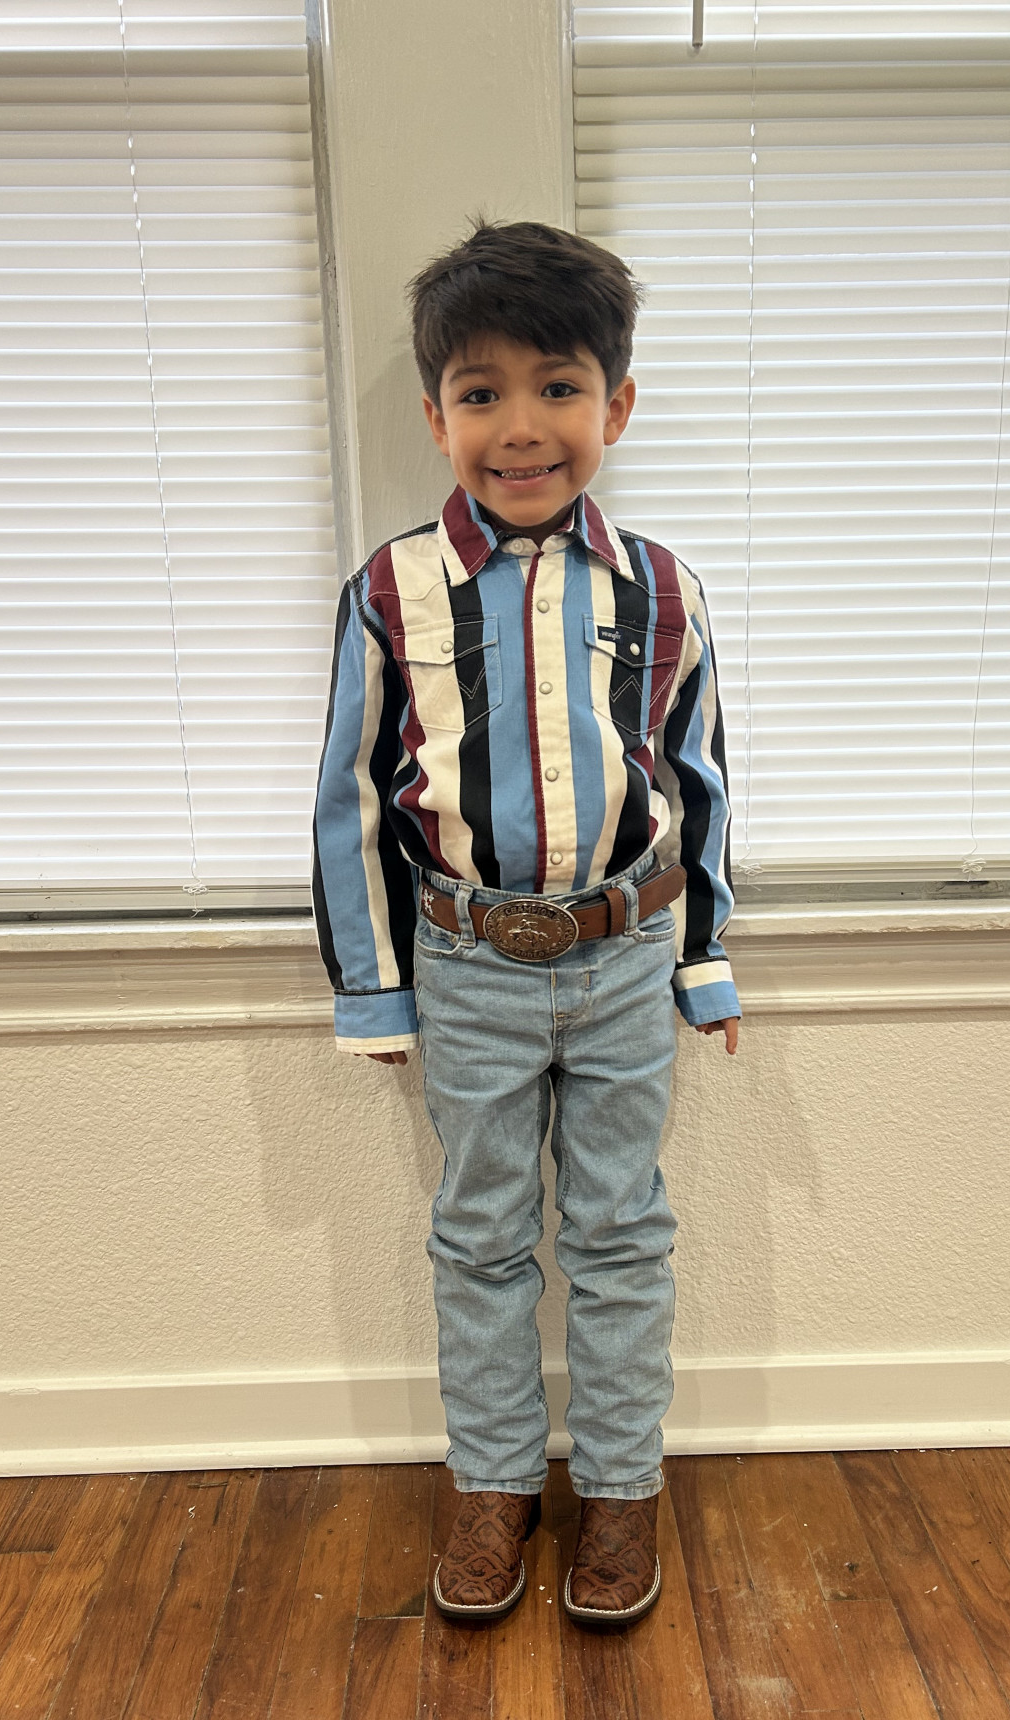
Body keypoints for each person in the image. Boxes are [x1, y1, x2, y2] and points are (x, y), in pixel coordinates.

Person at [311, 220, 739, 1628]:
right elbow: (351, 800)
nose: (521, 427)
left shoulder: (663, 589)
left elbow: (697, 779)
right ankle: (493, 1488)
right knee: (480, 1234)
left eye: (560, 387)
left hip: (623, 958)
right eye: (481, 392)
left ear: (617, 403)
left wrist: (703, 960)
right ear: (437, 415)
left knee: (620, 1231)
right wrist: (375, 991)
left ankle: (620, 1492)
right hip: (467, 964)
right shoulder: (389, 591)